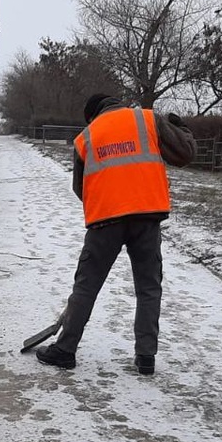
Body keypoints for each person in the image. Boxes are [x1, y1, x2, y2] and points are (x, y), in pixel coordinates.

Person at [36, 93, 196, 375]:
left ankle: (65, 350)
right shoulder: (148, 119)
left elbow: (80, 189)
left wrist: (108, 198)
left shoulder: (86, 137)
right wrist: (181, 126)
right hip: (147, 216)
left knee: (86, 286)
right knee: (148, 288)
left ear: (92, 116)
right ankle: (146, 357)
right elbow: (186, 153)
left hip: (105, 221)